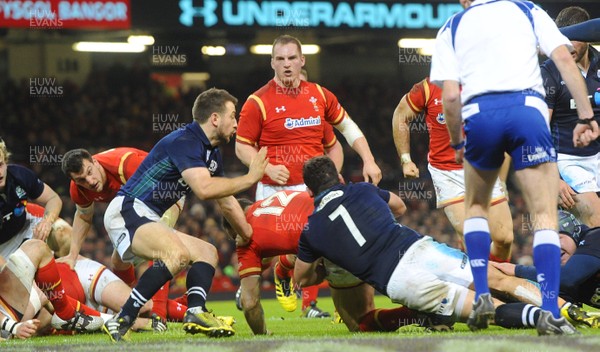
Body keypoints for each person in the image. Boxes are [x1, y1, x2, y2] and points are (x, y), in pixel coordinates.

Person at [430, 0, 597, 330]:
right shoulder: (526, 9)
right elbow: (563, 57)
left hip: (481, 115)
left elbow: (450, 97)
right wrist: (585, 115)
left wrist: (457, 143)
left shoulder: (452, 26)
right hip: (527, 113)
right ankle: (550, 309)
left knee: (476, 207)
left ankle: (481, 295)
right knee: (544, 214)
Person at [293, 156, 580, 335]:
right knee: (498, 279)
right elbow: (400, 207)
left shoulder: (312, 230)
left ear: (309, 191)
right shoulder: (363, 189)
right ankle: (564, 309)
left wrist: (332, 264)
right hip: (421, 249)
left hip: (401, 281)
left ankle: (543, 320)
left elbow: (301, 279)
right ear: (340, 177)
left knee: (484, 309)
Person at [101, 88, 268, 341]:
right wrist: (250, 178)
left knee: (207, 252)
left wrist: (249, 237)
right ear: (214, 118)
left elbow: (227, 202)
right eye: (233, 116)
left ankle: (196, 312)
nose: (237, 123)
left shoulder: (211, 154)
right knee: (176, 255)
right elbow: (204, 189)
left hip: (149, 216)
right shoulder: (185, 141)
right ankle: (122, 318)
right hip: (128, 209)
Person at [236, 36, 368, 316]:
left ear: (302, 60)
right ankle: (262, 278)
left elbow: (342, 135)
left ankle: (320, 304)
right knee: (262, 255)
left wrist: (344, 170)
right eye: (280, 59)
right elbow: (241, 145)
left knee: (322, 247)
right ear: (272, 62)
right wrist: (266, 168)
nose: (286, 65)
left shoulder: (319, 95)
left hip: (311, 190)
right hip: (273, 190)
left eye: (292, 58)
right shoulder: (257, 102)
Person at [392, 77, 513, 261]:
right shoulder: (427, 87)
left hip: (484, 169)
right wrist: (405, 159)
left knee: (505, 239)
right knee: (475, 237)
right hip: (446, 171)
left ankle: (494, 279)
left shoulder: (487, 83)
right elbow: (401, 115)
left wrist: (502, 180)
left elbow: (504, 137)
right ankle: (485, 284)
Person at [60, 147, 182, 329]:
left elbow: (162, 190)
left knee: (159, 245)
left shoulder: (126, 164)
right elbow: (84, 216)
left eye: (89, 173)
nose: (90, 181)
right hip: (135, 205)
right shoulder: (79, 189)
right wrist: (72, 254)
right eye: (81, 180)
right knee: (118, 262)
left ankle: (159, 316)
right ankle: (133, 302)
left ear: (95, 161)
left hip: (167, 189)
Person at [541, 7, 600, 226]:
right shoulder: (549, 72)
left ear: (587, 38)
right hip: (567, 162)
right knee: (596, 221)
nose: (566, 46)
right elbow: (537, 130)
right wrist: (552, 178)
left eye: (573, 39)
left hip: (598, 155)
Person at [494, 210, 600, 326]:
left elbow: (568, 277)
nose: (555, 248)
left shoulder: (595, 237)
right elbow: (563, 309)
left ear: (575, 233)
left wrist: (516, 270)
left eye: (558, 238)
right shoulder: (562, 277)